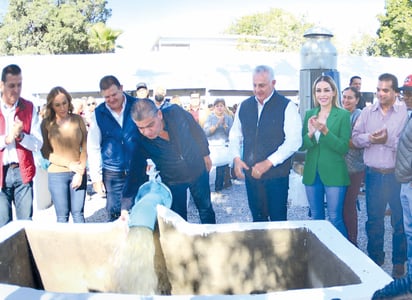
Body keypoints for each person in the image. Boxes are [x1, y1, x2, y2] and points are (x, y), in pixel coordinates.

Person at [228, 65, 302, 222]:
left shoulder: (287, 106)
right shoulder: (244, 106)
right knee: (257, 220)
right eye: (254, 85)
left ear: (273, 83)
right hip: (252, 175)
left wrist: (269, 162)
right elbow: (235, 135)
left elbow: (294, 141)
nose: (257, 89)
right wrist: (235, 157)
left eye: (262, 85)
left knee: (278, 222)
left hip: (277, 176)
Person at [352, 73, 408, 278]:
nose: (380, 94)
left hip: (396, 176)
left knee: (399, 221)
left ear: (395, 92)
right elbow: (355, 139)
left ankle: (398, 264)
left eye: (385, 90)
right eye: (378, 89)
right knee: (374, 221)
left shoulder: (404, 114)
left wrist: (385, 141)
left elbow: (405, 146)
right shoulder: (367, 112)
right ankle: (376, 261)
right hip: (373, 175)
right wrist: (371, 139)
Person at [127, 98, 216, 224]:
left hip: (197, 169)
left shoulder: (176, 112)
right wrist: (125, 207)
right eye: (141, 128)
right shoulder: (138, 139)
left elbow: (196, 130)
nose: (146, 132)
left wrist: (205, 153)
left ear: (159, 114)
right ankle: (181, 244)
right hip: (173, 179)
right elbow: (134, 172)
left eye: (150, 125)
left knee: (206, 209)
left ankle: (210, 239)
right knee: (177, 217)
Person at [87, 75, 146, 221]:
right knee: (115, 214)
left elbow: (149, 135)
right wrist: (96, 178)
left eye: (114, 94)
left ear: (121, 89)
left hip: (138, 169)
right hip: (113, 174)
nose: (111, 99)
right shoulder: (98, 114)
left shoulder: (138, 105)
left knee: (141, 211)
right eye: (107, 97)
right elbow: (93, 146)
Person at [301, 75, 351, 236]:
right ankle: (319, 256)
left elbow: (344, 148)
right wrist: (309, 134)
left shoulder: (343, 115)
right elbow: (302, 146)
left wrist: (325, 132)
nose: (322, 94)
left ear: (334, 92)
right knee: (316, 217)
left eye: (326, 90)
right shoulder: (310, 114)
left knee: (335, 218)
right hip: (312, 173)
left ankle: (344, 256)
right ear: (314, 94)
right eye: (318, 91)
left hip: (335, 173)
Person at [0, 64, 43, 227]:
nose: (16, 90)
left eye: (19, 85)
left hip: (22, 171)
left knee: (25, 225)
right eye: (12, 85)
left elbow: (38, 144)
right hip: (1, 174)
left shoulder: (29, 107)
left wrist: (20, 136)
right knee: (3, 227)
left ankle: (25, 253)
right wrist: (7, 138)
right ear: (1, 85)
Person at [40, 86, 87, 223]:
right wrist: (69, 164)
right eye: (57, 105)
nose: (62, 107)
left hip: (78, 171)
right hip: (57, 174)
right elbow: (45, 152)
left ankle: (83, 244)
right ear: (52, 106)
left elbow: (85, 147)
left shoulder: (78, 119)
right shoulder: (46, 124)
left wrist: (80, 172)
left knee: (78, 214)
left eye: (64, 103)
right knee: (62, 217)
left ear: (69, 101)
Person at [341, 86, 365, 246]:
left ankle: (352, 242)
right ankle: (343, 240)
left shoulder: (359, 115)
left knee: (349, 206)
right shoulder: (341, 114)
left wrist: (334, 139)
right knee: (339, 206)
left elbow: (357, 142)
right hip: (339, 168)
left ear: (357, 100)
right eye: (344, 97)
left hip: (354, 169)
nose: (346, 100)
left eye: (350, 97)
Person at [203, 98, 233, 192]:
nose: (219, 108)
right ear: (214, 107)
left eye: (221, 106)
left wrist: (224, 125)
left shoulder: (228, 118)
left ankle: (218, 187)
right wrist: (216, 125)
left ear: (224, 107)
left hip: (223, 145)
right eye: (217, 106)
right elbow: (206, 133)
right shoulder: (210, 117)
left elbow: (231, 134)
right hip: (212, 145)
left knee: (222, 166)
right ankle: (205, 186)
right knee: (209, 166)